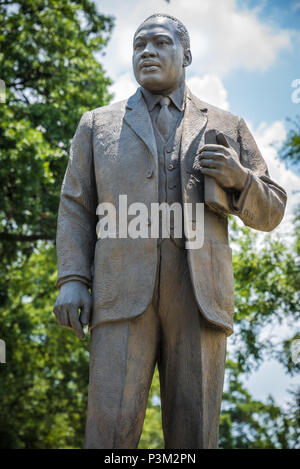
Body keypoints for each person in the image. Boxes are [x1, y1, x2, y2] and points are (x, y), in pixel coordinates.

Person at [53, 13, 287, 449]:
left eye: (160, 43)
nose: (147, 52)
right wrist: (71, 279)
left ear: (187, 54)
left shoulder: (227, 125)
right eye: (139, 45)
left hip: (199, 300)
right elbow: (75, 207)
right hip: (119, 296)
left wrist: (241, 180)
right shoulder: (96, 125)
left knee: (196, 438)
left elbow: (272, 212)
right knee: (106, 438)